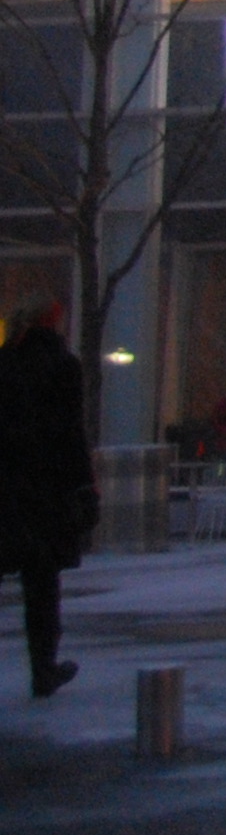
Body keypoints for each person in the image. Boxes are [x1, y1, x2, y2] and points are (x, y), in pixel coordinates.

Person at [0, 298, 97, 699]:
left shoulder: (5, 363)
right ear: (54, 321)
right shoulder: (62, 366)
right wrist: (84, 488)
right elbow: (71, 434)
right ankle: (43, 668)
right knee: (41, 585)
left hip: (6, 485)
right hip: (45, 488)